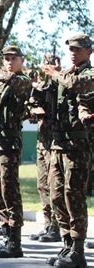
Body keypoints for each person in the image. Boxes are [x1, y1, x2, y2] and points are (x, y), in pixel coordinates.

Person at [42, 33, 93, 268]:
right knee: (56, 195)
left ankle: (78, 250)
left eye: (78, 49)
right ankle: (66, 245)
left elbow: (76, 85)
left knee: (74, 196)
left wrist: (55, 74)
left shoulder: (88, 75)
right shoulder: (64, 76)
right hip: (57, 144)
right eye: (71, 49)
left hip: (76, 146)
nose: (73, 52)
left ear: (89, 52)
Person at [0, 45, 31, 258]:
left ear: (21, 60)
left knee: (9, 189)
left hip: (10, 142)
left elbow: (15, 82)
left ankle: (15, 241)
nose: (10, 61)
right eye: (7, 58)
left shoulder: (22, 81)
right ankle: (6, 234)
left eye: (14, 58)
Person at [26, 53, 61, 243]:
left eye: (50, 64)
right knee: (42, 185)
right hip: (41, 140)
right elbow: (31, 110)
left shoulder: (59, 84)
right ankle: (48, 225)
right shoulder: (41, 87)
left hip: (53, 142)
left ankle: (56, 226)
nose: (46, 67)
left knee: (53, 186)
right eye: (45, 63)